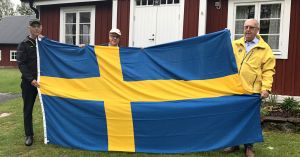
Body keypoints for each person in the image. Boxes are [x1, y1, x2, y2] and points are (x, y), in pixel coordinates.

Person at [224, 19, 276, 157]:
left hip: (252, 92)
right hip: (234, 89)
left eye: (251, 27)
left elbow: (268, 70)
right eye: (246, 27)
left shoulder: (265, 49)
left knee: (250, 120)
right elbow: (224, 59)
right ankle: (234, 144)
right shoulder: (235, 44)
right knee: (233, 117)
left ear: (257, 30)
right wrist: (221, 38)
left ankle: (248, 147)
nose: (247, 30)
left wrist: (266, 88)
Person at [16, 19, 43, 146]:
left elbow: (57, 48)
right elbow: (21, 64)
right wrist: (31, 79)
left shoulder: (44, 43)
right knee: (28, 109)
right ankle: (29, 135)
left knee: (50, 106)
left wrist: (77, 47)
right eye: (34, 26)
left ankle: (52, 132)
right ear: (29, 28)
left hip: (43, 82)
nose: (36, 28)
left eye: (38, 26)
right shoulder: (24, 44)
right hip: (29, 83)